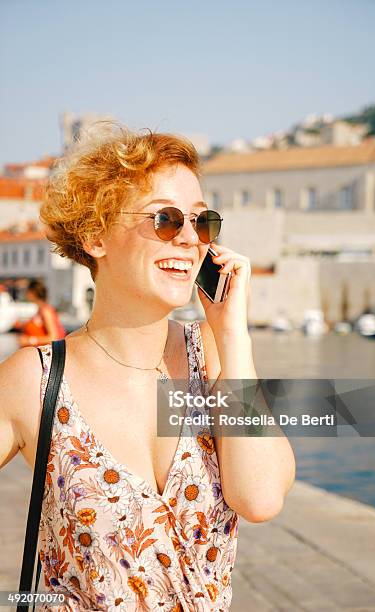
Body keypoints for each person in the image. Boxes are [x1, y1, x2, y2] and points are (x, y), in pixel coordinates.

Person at [0, 124, 295, 610]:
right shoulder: (32, 381)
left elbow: (260, 498)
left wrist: (233, 335)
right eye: (165, 220)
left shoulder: (216, 359)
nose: (188, 239)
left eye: (202, 223)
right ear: (96, 234)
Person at [14, 279, 66, 347]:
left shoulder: (46, 310)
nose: (25, 294)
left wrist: (29, 340)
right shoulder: (40, 310)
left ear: (32, 293)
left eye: (27, 291)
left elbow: (53, 337)